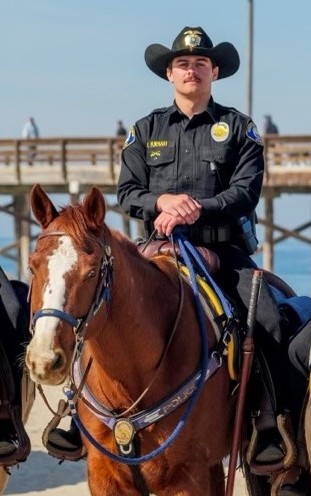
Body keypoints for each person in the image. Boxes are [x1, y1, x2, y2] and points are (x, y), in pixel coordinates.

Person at [115, 26, 308, 495]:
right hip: (158, 251)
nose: (192, 69)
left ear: (214, 71)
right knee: (99, 304)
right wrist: (162, 203)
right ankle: (74, 414)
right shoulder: (145, 130)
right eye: (183, 63)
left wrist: (198, 207)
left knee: (269, 320)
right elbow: (127, 193)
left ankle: (270, 425)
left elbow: (246, 192)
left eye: (201, 63)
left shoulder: (240, 128)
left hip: (224, 253)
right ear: (169, 73)